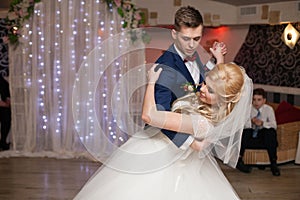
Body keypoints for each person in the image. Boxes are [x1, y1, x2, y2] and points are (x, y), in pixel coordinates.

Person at [73, 62, 253, 200]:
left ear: (222, 99)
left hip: (161, 160)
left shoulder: (201, 121)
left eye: (210, 90)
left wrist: (151, 82)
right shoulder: (210, 106)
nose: (202, 89)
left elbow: (149, 116)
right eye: (205, 83)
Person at [153, 5, 227, 152]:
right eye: (186, 38)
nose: (192, 45)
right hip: (167, 143)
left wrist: (214, 60)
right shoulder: (165, 66)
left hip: (190, 134)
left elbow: (196, 83)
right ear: (174, 34)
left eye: (196, 38)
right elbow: (159, 114)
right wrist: (190, 142)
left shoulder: (192, 54)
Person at [236, 88, 280, 176]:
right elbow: (242, 125)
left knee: (270, 132)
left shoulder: (269, 109)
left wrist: (262, 123)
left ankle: (273, 163)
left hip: (262, 137)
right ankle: (239, 160)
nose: (256, 102)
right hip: (251, 137)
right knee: (245, 131)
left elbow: (274, 125)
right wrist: (251, 122)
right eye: (254, 100)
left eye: (259, 100)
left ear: (264, 100)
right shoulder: (248, 109)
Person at [0, 75, 11, 151]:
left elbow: (7, 93)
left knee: (6, 119)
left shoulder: (3, 82)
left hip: (3, 106)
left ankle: (3, 141)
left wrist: (7, 100)